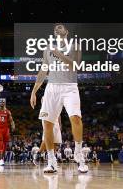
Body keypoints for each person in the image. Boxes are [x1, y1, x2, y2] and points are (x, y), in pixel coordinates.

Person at [30, 24, 88, 174]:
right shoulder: (48, 49)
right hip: (52, 88)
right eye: (56, 28)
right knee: (46, 124)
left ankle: (79, 155)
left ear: (66, 32)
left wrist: (58, 54)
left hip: (70, 87)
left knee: (76, 118)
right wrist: (34, 91)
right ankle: (51, 162)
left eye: (61, 27)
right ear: (54, 33)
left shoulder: (74, 45)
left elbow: (76, 65)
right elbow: (43, 70)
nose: (58, 28)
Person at [0, 101, 15, 166]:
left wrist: (13, 126)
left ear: (4, 104)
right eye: (0, 102)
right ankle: (0, 160)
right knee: (0, 145)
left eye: (3, 102)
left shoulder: (7, 111)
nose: (2, 103)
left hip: (6, 130)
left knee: (5, 146)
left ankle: (2, 159)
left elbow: (11, 120)